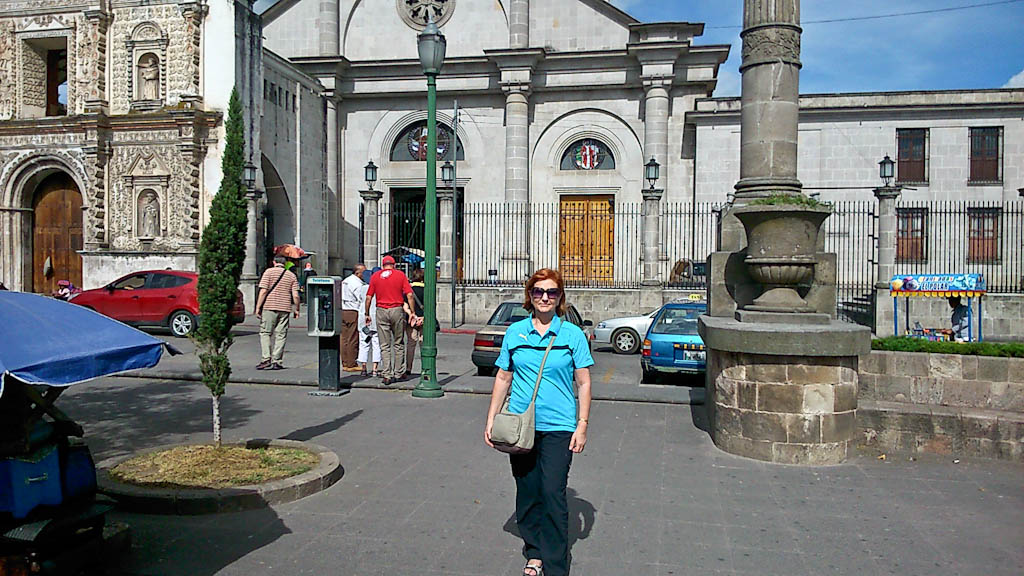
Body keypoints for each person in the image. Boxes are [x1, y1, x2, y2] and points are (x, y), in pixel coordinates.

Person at [484, 268, 594, 576]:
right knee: (528, 492)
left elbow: (583, 382)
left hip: (559, 427)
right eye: (538, 292)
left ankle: (556, 566)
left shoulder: (571, 334)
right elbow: (504, 377)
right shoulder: (515, 332)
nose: (544, 297)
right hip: (520, 426)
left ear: (560, 298)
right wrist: (491, 419)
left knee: (553, 492)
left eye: (552, 292)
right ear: (529, 296)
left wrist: (582, 424)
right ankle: (534, 553)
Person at [364, 255, 415, 385]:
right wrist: (412, 312)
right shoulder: (400, 275)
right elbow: (409, 295)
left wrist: (367, 313)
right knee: (398, 342)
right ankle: (399, 371)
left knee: (384, 344)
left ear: (383, 265)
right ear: (394, 265)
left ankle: (387, 374)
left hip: (381, 309)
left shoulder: (375, 276)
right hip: (396, 309)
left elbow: (369, 297)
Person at [255, 255, 300, 370]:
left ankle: (266, 358)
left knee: (265, 333)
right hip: (285, 308)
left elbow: (263, 291)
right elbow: (295, 295)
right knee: (281, 334)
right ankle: (277, 360)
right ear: (285, 264)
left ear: (274, 262)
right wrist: (297, 309)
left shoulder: (268, 272)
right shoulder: (291, 276)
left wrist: (258, 307)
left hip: (269, 306)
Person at [340, 264, 367, 372]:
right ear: (357, 273)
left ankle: (345, 362)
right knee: (352, 338)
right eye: (363, 272)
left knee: (344, 338)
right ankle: (351, 363)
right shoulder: (357, 284)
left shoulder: (346, 280)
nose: (364, 274)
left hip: (343, 309)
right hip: (353, 310)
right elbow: (361, 298)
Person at [357, 268, 382, 376]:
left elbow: (359, 299)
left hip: (364, 316)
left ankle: (363, 367)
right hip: (376, 315)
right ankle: (375, 368)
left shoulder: (362, 288)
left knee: (364, 343)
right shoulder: (380, 288)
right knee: (377, 343)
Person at [404, 267, 426, 376]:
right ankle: (425, 368)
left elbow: (405, 305)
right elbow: (431, 306)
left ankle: (408, 368)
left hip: (411, 320)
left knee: (411, 343)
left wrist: (412, 315)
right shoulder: (427, 290)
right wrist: (423, 318)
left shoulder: (409, 289)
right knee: (423, 344)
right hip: (423, 320)